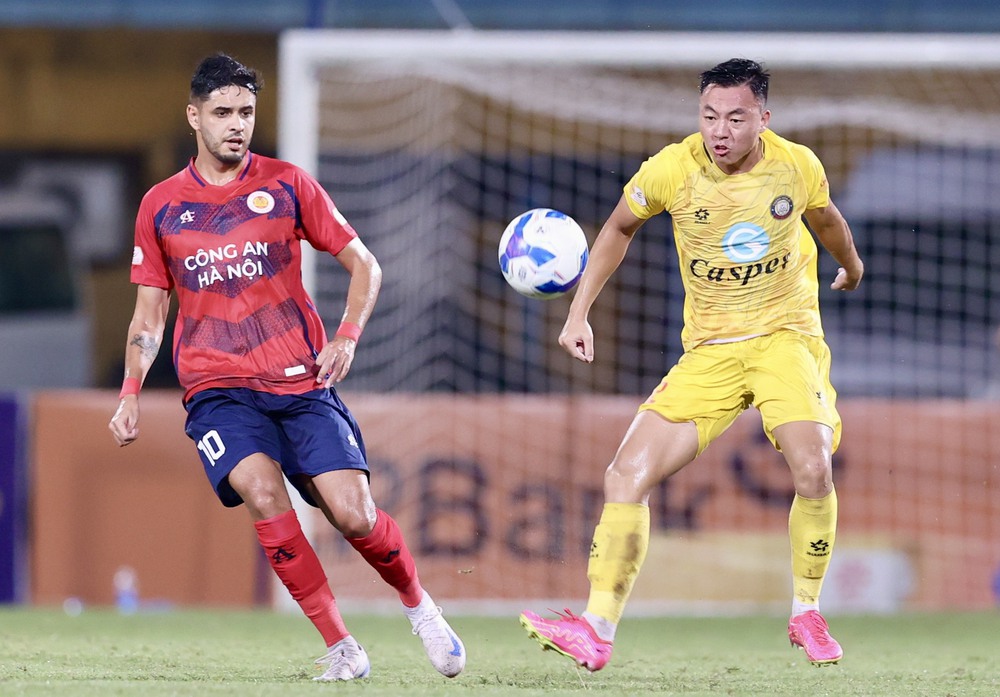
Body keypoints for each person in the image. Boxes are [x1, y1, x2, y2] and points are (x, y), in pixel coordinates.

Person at [108, 53, 466, 682]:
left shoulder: (289, 185)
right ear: (194, 117)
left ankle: (420, 607)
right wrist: (130, 392)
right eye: (222, 113)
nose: (236, 125)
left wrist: (349, 337)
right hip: (218, 390)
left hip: (302, 383)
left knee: (353, 515)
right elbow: (148, 316)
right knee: (260, 489)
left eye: (245, 112)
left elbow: (366, 265)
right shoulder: (161, 207)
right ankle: (342, 647)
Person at [520, 58, 864, 670]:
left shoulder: (796, 165)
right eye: (709, 117)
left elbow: (827, 219)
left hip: (785, 340)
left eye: (735, 118)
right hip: (709, 353)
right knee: (624, 476)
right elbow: (618, 227)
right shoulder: (672, 169)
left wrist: (852, 265)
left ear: (763, 117)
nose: (720, 131)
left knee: (813, 468)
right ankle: (596, 630)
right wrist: (579, 313)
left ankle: (806, 610)